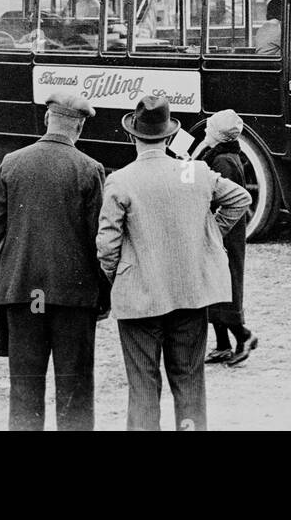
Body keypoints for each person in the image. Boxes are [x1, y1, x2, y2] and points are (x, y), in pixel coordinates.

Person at [96, 95, 250, 431]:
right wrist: (210, 232)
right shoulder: (195, 171)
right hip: (190, 293)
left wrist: (117, 278)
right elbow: (241, 198)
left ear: (132, 136)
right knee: (189, 382)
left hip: (140, 297)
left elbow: (107, 247)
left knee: (143, 387)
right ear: (168, 137)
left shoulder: (120, 180)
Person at [0, 92, 107, 431]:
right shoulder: (90, 169)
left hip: (24, 296)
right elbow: (99, 240)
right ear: (79, 127)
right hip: (73, 299)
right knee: (75, 386)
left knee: (25, 386)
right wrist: (102, 297)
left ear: (48, 119)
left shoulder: (12, 162)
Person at [200, 110, 258, 366]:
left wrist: (214, 229)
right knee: (215, 287)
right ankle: (223, 344)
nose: (204, 132)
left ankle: (243, 336)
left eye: (209, 128)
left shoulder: (222, 161)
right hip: (224, 233)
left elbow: (219, 198)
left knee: (223, 286)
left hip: (223, 234)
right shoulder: (225, 155)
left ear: (217, 135)